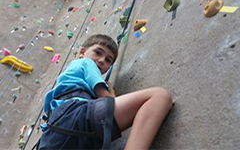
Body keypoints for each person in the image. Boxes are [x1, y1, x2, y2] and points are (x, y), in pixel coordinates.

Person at [39, 34, 172, 150]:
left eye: (108, 60)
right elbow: (105, 97)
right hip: (76, 117)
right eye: (98, 52)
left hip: (52, 138)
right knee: (159, 96)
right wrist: (111, 91)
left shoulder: (67, 80)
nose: (102, 60)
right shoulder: (85, 63)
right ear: (82, 52)